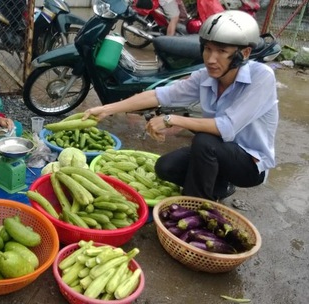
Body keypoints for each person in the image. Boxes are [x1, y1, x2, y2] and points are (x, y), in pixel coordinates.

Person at [83, 10, 278, 201]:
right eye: (208, 49)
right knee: (165, 167)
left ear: (244, 53)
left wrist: (172, 120)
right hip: (217, 152)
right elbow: (161, 95)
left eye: (222, 51)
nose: (211, 59)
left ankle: (194, 210)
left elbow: (226, 127)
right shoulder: (205, 76)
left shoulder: (261, 77)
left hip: (250, 164)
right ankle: (220, 186)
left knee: (204, 141)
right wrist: (107, 109)